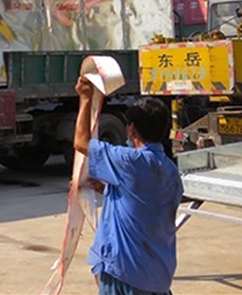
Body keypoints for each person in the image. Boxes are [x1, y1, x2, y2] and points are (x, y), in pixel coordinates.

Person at [73, 75, 183, 295]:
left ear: (131, 130)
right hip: (158, 276)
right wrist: (106, 188)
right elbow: (144, 202)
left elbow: (81, 142)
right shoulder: (170, 171)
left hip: (126, 275)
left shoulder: (129, 161)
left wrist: (85, 99)